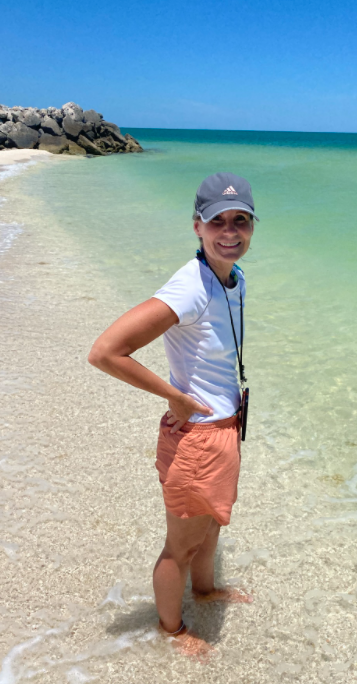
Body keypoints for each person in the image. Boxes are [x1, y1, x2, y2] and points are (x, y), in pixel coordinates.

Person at [88, 172, 258, 658]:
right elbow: (106, 352)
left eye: (241, 220)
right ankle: (172, 630)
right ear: (197, 226)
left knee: (212, 526)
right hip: (198, 437)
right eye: (217, 221)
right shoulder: (190, 287)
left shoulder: (233, 278)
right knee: (180, 546)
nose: (230, 232)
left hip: (224, 428)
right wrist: (174, 396)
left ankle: (204, 591)